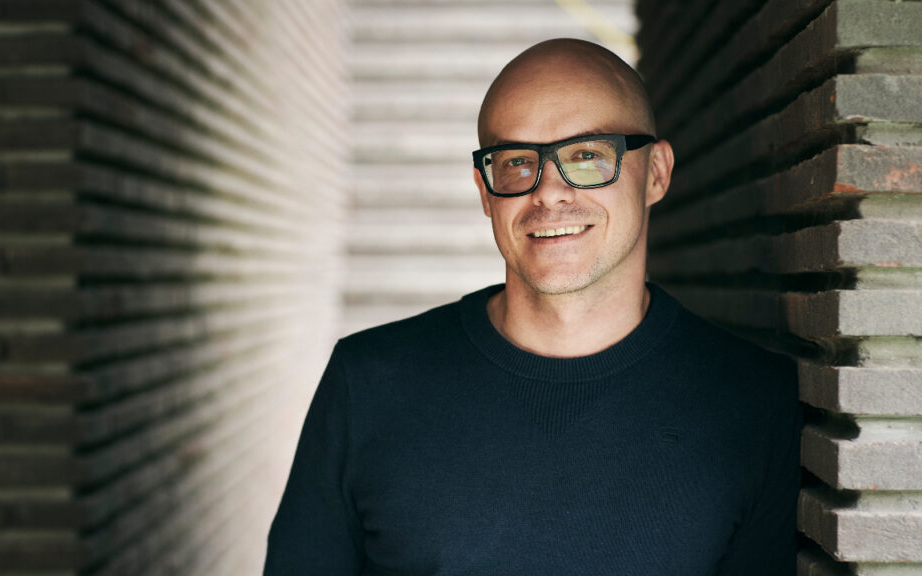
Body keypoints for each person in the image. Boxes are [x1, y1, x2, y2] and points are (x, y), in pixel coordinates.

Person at [264, 38, 800, 575]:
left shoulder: (752, 403)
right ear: (485, 190)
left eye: (587, 156)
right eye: (517, 162)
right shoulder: (367, 384)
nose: (548, 192)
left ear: (656, 173)